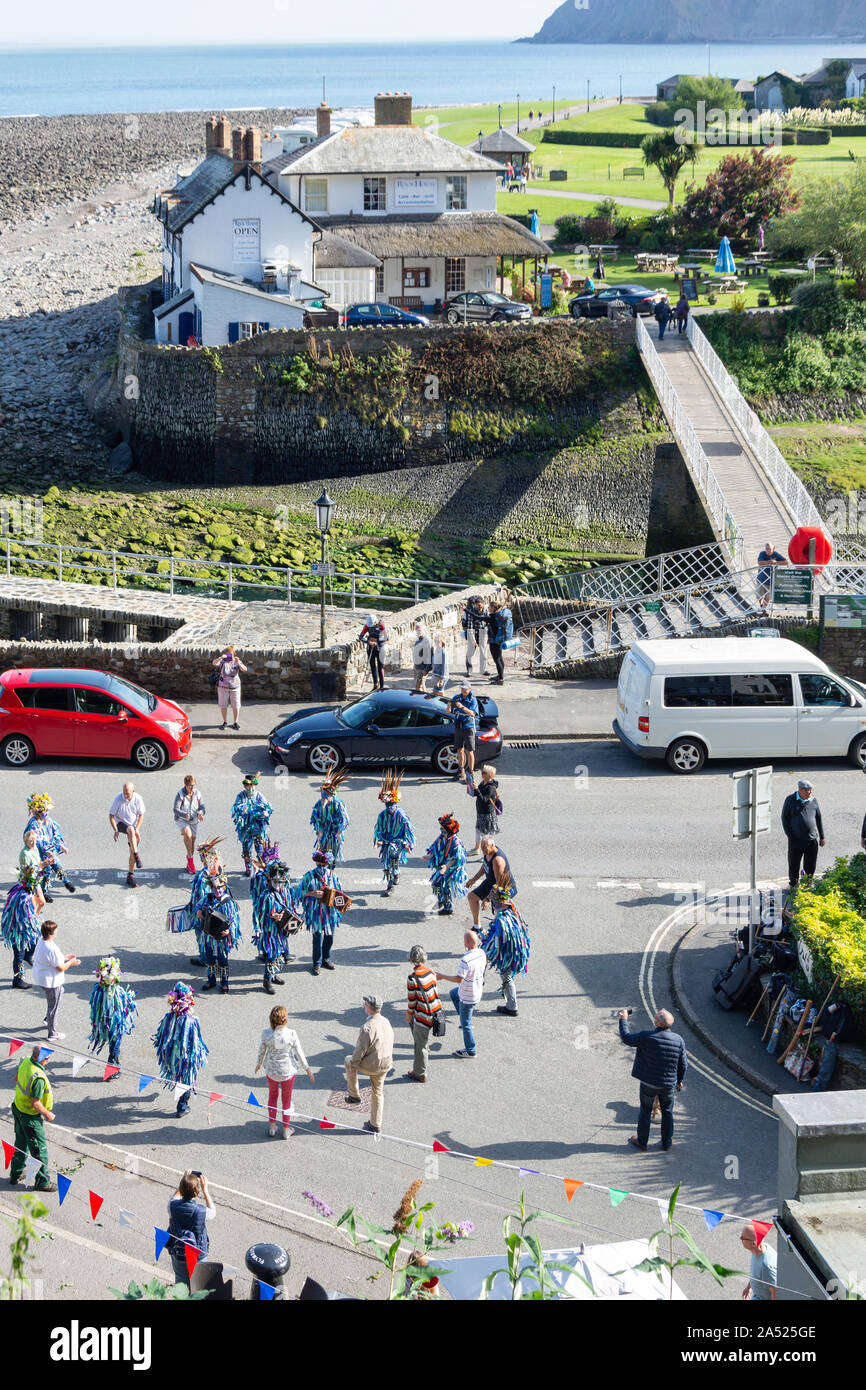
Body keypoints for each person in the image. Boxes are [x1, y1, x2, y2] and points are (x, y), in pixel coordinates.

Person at [618, 1008, 688, 1151]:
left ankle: (642, 1142)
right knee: (667, 1111)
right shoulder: (679, 1040)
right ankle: (667, 1143)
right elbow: (683, 1064)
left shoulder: (646, 1036)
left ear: (657, 1023)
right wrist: (679, 1080)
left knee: (645, 1110)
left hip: (648, 1083)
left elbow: (626, 1038)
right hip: (668, 1085)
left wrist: (623, 1019)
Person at [182, 838, 242, 994]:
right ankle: (210, 980)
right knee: (209, 959)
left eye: (220, 888)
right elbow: (197, 906)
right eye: (215, 888)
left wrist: (229, 932)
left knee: (222, 960)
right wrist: (199, 912)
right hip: (208, 935)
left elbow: (234, 920)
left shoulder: (228, 902)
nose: (218, 891)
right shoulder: (207, 898)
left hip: (221, 937)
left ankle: (224, 982)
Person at [255, 1004, 315, 1137]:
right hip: (287, 1072)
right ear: (285, 1019)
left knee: (272, 1096)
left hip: (271, 1070)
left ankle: (272, 1126)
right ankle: (286, 1130)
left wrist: (259, 1064)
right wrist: (307, 1069)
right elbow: (299, 1053)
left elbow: (262, 1051)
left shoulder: (265, 1033)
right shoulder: (292, 1033)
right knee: (286, 1100)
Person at [250, 841, 301, 994]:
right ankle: (266, 980)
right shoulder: (266, 896)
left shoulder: (285, 891)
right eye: (275, 881)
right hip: (271, 931)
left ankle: (274, 974)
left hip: (283, 929)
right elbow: (259, 913)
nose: (278, 884)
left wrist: (297, 919)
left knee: (280, 955)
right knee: (272, 955)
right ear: (270, 881)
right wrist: (272, 915)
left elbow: (291, 906)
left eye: (280, 881)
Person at [153, 982, 209, 1117]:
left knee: (179, 1076)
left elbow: (160, 1037)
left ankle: (182, 1104)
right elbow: (195, 1041)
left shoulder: (168, 1018)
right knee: (186, 1078)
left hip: (171, 1054)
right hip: (186, 1057)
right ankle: (182, 1106)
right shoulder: (191, 1021)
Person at [480, 872, 530, 1017]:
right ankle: (510, 1004)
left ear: (500, 903)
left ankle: (512, 1007)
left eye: (494, 902)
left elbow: (494, 942)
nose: (493, 905)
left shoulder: (502, 920)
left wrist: (483, 936)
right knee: (507, 978)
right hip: (514, 950)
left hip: (508, 953)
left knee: (506, 978)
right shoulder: (511, 910)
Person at [9, 1045, 56, 1193]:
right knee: (39, 1151)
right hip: (30, 1117)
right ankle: (42, 1182)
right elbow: (35, 1102)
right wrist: (48, 1114)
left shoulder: (24, 1062)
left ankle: (15, 1174)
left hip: (18, 1109)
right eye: (47, 1059)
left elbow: (16, 1078)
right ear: (40, 1058)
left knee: (20, 1143)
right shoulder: (39, 1077)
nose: (48, 1061)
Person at [345, 994, 394, 1134]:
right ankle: (375, 1124)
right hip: (385, 1063)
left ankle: (354, 1095)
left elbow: (359, 1051)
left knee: (349, 1061)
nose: (364, 1006)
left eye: (365, 1004)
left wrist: (353, 1065)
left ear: (369, 1008)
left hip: (371, 1065)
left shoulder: (367, 1027)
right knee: (378, 1092)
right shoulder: (386, 1021)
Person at [435, 930, 486, 1059]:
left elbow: (459, 979)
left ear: (467, 943)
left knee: (467, 1024)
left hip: (468, 995)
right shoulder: (481, 953)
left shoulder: (466, 960)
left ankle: (470, 1050)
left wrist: (442, 976)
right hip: (476, 990)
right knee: (453, 994)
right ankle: (464, 1020)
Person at [87, 955, 137, 1077]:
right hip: (114, 1024)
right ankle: (111, 1070)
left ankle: (115, 1063)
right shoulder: (117, 992)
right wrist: (131, 997)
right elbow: (126, 1004)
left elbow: (94, 1006)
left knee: (114, 1045)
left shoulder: (97, 991)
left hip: (101, 1023)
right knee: (115, 1045)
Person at [31, 920, 79, 1041]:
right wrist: (71, 962)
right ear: (51, 933)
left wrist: (64, 957)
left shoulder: (41, 941)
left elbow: (51, 960)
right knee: (54, 1006)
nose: (57, 932)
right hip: (51, 982)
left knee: (55, 998)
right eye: (56, 930)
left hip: (42, 978)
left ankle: (48, 1019)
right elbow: (60, 967)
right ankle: (52, 1033)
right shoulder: (51, 948)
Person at [300, 849, 345, 975]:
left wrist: (344, 904)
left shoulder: (333, 876)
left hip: (330, 913)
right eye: (319, 865)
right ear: (315, 863)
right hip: (316, 912)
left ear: (327, 865)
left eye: (323, 865)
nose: (321, 867)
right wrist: (312, 893)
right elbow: (298, 893)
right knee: (317, 938)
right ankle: (317, 963)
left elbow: (339, 894)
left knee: (329, 937)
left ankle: (326, 958)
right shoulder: (309, 876)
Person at [167, 1170, 215, 1287]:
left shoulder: (171, 1206)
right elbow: (212, 1210)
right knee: (197, 1284)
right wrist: (205, 1190)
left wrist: (184, 1179)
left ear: (181, 1188)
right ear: (197, 1191)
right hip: (197, 1253)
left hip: (178, 1250)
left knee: (180, 1280)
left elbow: (175, 1197)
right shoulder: (202, 1212)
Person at [24, 794, 76, 900]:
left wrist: (61, 845)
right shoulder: (33, 824)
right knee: (46, 871)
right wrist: (46, 851)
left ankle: (66, 882)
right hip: (40, 853)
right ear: (38, 811)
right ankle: (44, 892)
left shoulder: (48, 820)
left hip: (50, 850)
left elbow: (56, 833)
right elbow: (36, 840)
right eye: (45, 811)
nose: (47, 812)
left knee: (58, 865)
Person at [374, 767, 416, 895]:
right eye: (387, 805)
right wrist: (379, 840)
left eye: (392, 805)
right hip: (387, 842)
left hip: (398, 842)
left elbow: (408, 832)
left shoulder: (402, 816)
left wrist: (407, 844)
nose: (389, 808)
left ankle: (390, 886)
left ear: (396, 804)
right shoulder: (382, 815)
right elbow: (379, 829)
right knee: (387, 866)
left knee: (393, 860)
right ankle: (393, 877)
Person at [405, 944, 442, 1083]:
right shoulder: (431, 972)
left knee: (419, 1045)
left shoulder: (412, 978)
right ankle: (425, 1044)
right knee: (423, 1040)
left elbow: (412, 1001)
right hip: (436, 1011)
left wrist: (408, 1014)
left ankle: (420, 1073)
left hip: (424, 1015)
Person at [2, 863, 41, 989]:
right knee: (18, 957)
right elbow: (25, 917)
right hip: (19, 931)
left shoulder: (21, 890)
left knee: (35, 942)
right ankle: (18, 980)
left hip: (23, 929)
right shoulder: (23, 898)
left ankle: (27, 955)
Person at [781, 779, 826, 888]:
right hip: (796, 840)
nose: (810, 793)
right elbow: (784, 818)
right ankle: (793, 883)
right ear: (801, 790)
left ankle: (808, 882)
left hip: (812, 840)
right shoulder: (790, 800)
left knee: (810, 864)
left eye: (811, 791)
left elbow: (818, 818)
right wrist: (790, 836)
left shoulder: (813, 800)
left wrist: (822, 836)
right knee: (794, 863)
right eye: (808, 791)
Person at [466, 834, 517, 928]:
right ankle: (477, 927)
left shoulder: (497, 861)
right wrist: (474, 879)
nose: (483, 850)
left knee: (500, 916)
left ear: (492, 845)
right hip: (491, 883)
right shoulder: (488, 853)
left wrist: (488, 899)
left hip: (503, 889)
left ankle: (504, 935)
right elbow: (485, 866)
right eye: (481, 848)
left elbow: (499, 884)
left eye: (484, 848)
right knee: (472, 897)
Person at [231, 772, 273, 876]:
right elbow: (236, 807)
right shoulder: (241, 796)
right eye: (248, 786)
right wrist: (241, 810)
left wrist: (265, 813)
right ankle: (248, 867)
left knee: (259, 847)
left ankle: (260, 865)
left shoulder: (259, 795)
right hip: (245, 827)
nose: (250, 788)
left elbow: (268, 807)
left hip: (257, 826)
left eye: (252, 785)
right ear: (245, 786)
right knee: (246, 848)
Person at [425, 812, 468, 916]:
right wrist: (429, 856)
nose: (441, 831)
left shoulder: (456, 842)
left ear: (448, 831)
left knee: (444, 887)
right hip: (443, 866)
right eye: (441, 829)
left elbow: (457, 858)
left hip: (451, 868)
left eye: (443, 830)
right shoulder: (442, 837)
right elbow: (435, 847)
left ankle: (448, 908)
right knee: (436, 884)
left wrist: (447, 866)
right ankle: (441, 901)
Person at [109, 781, 145, 889]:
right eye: (124, 792)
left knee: (131, 848)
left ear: (133, 791)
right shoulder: (118, 799)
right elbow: (111, 815)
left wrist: (137, 829)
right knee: (130, 829)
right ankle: (137, 855)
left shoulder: (138, 798)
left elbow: (141, 815)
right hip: (121, 823)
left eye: (127, 793)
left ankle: (130, 875)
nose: (125, 795)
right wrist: (115, 830)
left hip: (133, 827)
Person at [310, 767, 350, 862]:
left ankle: (331, 870)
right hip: (324, 833)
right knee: (322, 856)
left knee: (331, 857)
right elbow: (314, 817)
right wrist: (319, 830)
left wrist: (339, 832)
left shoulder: (338, 803)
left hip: (334, 833)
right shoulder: (318, 804)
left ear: (331, 794)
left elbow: (345, 819)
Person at [174, 774, 206, 874]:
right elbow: (175, 809)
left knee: (192, 843)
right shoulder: (180, 794)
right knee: (188, 834)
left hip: (194, 820)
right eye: (190, 786)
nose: (192, 787)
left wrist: (201, 813)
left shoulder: (197, 793)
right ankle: (191, 862)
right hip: (182, 819)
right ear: (185, 785)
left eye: (193, 785)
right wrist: (184, 815)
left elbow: (202, 807)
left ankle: (189, 862)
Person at [448, 680, 479, 784]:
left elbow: (472, 714)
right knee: (459, 749)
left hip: (468, 726)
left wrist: (461, 707)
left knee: (470, 751)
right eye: (462, 688)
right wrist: (449, 705)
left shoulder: (473, 700)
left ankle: (470, 773)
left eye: (465, 689)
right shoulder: (457, 697)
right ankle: (461, 771)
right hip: (458, 726)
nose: (463, 690)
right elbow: (448, 711)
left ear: (469, 689)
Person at [213, 645, 247, 731]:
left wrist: (238, 663)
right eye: (227, 654)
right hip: (222, 687)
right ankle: (225, 722)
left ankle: (235, 722)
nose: (229, 656)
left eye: (230, 654)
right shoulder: (222, 661)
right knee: (223, 705)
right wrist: (221, 658)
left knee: (236, 705)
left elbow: (245, 669)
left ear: (233, 654)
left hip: (235, 687)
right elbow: (213, 663)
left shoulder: (236, 661)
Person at [469, 765, 501, 856]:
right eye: (482, 772)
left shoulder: (490, 788)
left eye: (484, 773)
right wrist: (472, 786)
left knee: (486, 837)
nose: (482, 774)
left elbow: (483, 799)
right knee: (478, 831)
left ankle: (487, 854)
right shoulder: (483, 783)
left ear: (490, 775)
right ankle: (476, 849)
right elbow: (476, 794)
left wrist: (476, 789)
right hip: (480, 813)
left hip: (487, 814)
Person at [740, 1224, 777, 1302]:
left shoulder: (766, 1267)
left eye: (742, 1238)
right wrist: (749, 1287)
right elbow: (756, 1274)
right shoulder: (761, 1248)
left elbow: (775, 1292)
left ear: (753, 1244)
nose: (740, 1238)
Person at [359, 613, 387, 691]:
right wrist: (368, 642)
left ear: (375, 622)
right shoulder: (367, 625)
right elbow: (361, 637)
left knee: (380, 667)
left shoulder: (381, 625)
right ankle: (375, 685)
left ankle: (382, 687)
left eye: (372, 625)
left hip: (380, 648)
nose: (370, 627)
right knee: (372, 667)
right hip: (371, 648)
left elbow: (386, 637)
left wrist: (376, 642)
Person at [489, 599, 514, 685]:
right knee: (500, 658)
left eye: (489, 606)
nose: (488, 608)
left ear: (493, 608)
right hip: (500, 639)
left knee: (497, 660)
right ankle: (500, 676)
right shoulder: (499, 616)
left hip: (494, 641)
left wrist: (466, 610)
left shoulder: (493, 617)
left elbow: (477, 617)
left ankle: (500, 680)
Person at [756, 540, 788, 609]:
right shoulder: (762, 553)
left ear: (773, 549)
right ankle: (762, 606)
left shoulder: (776, 554)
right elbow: (760, 562)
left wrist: (776, 562)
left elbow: (786, 562)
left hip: (771, 579)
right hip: (761, 579)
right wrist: (769, 562)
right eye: (766, 548)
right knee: (759, 595)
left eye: (769, 549)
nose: (768, 550)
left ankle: (764, 608)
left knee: (768, 597)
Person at [462, 596, 489, 678]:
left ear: (483, 604)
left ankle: (483, 670)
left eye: (480, 605)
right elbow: (470, 627)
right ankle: (469, 671)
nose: (479, 607)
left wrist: (487, 635)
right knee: (470, 654)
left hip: (483, 633)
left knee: (483, 653)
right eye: (477, 605)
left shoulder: (486, 611)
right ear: (475, 605)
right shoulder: (471, 612)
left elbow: (488, 624)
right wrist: (473, 639)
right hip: (473, 633)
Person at [412, 623, 434, 693]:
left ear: (424, 630)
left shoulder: (427, 640)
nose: (418, 632)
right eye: (417, 630)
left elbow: (430, 656)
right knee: (422, 685)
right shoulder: (418, 639)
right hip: (416, 666)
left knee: (417, 687)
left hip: (422, 668)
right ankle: (427, 700)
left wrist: (426, 669)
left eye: (419, 630)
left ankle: (419, 702)